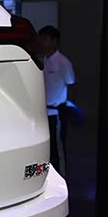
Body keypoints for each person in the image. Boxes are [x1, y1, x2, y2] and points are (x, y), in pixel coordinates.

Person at [38, 25, 75, 175]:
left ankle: (61, 176)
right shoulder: (43, 60)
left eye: (45, 39)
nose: (41, 42)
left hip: (56, 113)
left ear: (54, 41)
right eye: (41, 39)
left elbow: (71, 82)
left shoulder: (63, 62)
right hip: (42, 113)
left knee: (57, 147)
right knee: (46, 147)